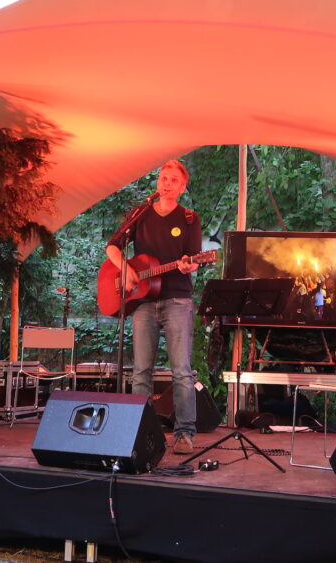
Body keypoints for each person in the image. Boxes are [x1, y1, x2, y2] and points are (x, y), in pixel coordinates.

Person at [105, 159, 202, 454]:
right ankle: (141, 429)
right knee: (140, 371)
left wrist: (189, 266)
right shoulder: (140, 213)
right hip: (143, 301)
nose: (166, 183)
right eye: (163, 177)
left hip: (177, 299)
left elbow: (194, 260)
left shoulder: (188, 218)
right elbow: (112, 247)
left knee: (181, 371)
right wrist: (126, 270)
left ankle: (184, 433)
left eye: (173, 180)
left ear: (182, 188)